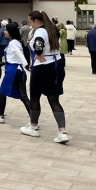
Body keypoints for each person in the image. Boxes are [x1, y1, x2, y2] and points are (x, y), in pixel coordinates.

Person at [20, 10, 69, 144]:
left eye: (30, 22)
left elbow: (39, 43)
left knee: (35, 97)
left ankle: (33, 126)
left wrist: (38, 53)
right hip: (56, 65)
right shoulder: (53, 30)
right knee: (54, 99)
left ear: (36, 21)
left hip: (43, 66)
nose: (30, 25)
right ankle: (62, 131)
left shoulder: (40, 31)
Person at [0, 22, 31, 124]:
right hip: (18, 70)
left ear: (10, 32)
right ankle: (34, 119)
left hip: (13, 71)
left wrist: (26, 64)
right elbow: (15, 57)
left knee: (2, 92)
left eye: (6, 30)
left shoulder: (13, 43)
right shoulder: (17, 42)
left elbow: (19, 55)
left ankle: (0, 116)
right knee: (23, 96)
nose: (4, 32)